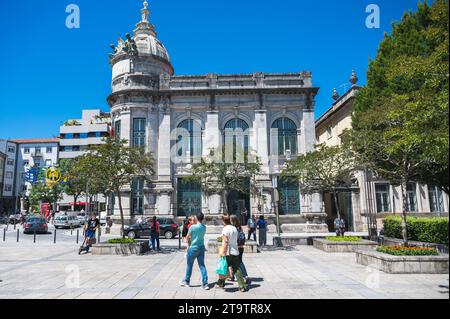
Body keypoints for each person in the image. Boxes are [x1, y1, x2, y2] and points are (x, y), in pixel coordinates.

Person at [215, 215, 247, 292]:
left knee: (223, 267)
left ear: (224, 221)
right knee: (237, 269)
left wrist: (223, 252)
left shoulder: (225, 229)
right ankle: (242, 286)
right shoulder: (234, 228)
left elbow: (226, 241)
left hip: (228, 252)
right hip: (235, 251)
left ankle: (220, 284)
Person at [180, 212, 209, 290]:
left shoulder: (192, 227)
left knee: (189, 265)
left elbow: (187, 237)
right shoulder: (204, 227)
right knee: (202, 265)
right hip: (201, 247)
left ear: (196, 218)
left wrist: (189, 243)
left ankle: (187, 281)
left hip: (193, 247)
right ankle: (205, 283)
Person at [230, 217, 250, 284]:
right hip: (241, 247)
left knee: (232, 262)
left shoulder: (232, 228)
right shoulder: (240, 227)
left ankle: (233, 276)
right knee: (240, 261)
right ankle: (245, 276)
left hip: (235, 247)